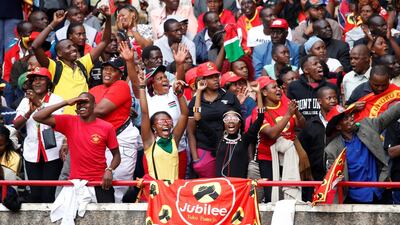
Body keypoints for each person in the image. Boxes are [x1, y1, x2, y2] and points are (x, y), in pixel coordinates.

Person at [33, 93, 121, 203]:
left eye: (85, 102)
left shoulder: (107, 127)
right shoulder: (69, 121)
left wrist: (110, 170)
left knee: (108, 219)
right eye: (79, 103)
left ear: (94, 104)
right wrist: (66, 102)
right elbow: (37, 116)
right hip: (75, 183)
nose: (81, 105)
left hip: (100, 183)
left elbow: (117, 156)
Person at [31, 7, 111, 115]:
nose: (73, 48)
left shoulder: (83, 64)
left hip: (82, 119)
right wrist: (53, 23)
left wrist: (109, 18)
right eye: (68, 47)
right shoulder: (54, 67)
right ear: (59, 53)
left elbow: (104, 41)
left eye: (73, 46)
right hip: (61, 122)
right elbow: (35, 46)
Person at [89, 54, 142, 202]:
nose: (107, 72)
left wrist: (89, 110)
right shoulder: (94, 89)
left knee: (118, 188)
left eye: (112, 70)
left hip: (121, 140)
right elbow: (82, 112)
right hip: (99, 141)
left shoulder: (121, 85)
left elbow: (100, 110)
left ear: (120, 74)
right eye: (105, 69)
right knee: (98, 186)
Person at [324, 103, 400, 203]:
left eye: (350, 115)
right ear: (338, 127)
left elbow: (388, 116)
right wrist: (337, 178)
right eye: (345, 118)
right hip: (354, 198)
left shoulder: (368, 126)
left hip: (379, 192)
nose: (351, 118)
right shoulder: (332, 150)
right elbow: (331, 179)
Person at [13, 67, 65, 203]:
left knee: (49, 194)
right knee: (35, 194)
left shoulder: (56, 99)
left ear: (48, 82)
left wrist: (38, 104)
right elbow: (16, 124)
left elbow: (55, 122)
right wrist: (28, 113)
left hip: (53, 152)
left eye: (41, 79)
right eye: (34, 80)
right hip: (32, 152)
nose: (37, 82)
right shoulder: (25, 101)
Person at [194, 79, 264, 178]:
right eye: (227, 118)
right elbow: (198, 119)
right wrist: (199, 92)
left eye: (234, 118)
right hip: (223, 187)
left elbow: (260, 118)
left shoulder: (245, 139)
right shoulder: (217, 137)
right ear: (223, 124)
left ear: (240, 123)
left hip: (239, 187)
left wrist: (258, 93)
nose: (231, 121)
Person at [253, 76, 305, 203]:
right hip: (268, 157)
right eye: (274, 87)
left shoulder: (285, 102)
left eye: (278, 87)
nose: (278, 90)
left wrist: (296, 112)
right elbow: (272, 134)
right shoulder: (258, 112)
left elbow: (302, 125)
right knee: (272, 195)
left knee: (293, 190)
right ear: (264, 92)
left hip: (291, 154)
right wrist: (288, 114)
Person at [187, 62, 241, 178]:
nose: (215, 79)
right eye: (211, 77)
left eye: (216, 76)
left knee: (227, 184)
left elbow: (240, 123)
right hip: (205, 147)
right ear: (202, 79)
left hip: (227, 146)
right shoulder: (195, 100)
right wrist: (196, 159)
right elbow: (190, 132)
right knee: (209, 188)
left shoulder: (230, 96)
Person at [138, 66, 188, 181]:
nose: (166, 124)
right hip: (157, 192)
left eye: (168, 121)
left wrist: (180, 95)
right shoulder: (149, 142)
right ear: (153, 127)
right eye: (161, 121)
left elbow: (184, 115)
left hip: (172, 192)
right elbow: (145, 113)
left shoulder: (174, 140)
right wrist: (141, 86)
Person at [298, 86, 338, 182]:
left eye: (335, 98)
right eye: (329, 98)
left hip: (338, 175)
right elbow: (303, 151)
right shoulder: (310, 125)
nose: (333, 101)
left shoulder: (341, 123)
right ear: (319, 101)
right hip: (316, 178)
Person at [287, 55, 339, 121]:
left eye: (320, 63)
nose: (320, 65)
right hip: (302, 129)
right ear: (306, 70)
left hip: (325, 128)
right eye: (315, 64)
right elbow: (290, 111)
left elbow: (337, 110)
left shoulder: (331, 87)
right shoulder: (294, 86)